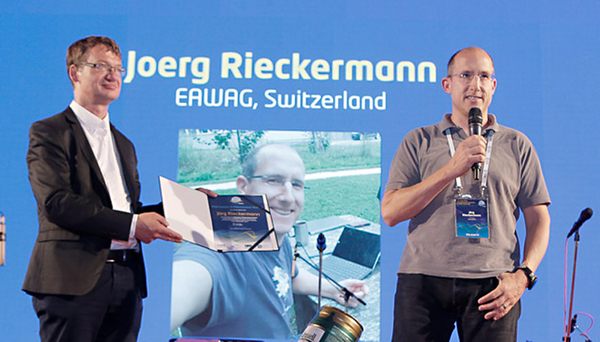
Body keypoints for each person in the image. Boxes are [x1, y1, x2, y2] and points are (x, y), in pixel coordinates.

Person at [23, 36, 190, 342]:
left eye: (118, 68)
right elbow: (57, 203)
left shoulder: (124, 143)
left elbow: (128, 211)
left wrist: (190, 207)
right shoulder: (49, 132)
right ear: (75, 73)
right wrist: (134, 224)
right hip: (72, 281)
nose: (113, 74)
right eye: (101, 66)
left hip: (127, 279)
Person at [381, 47, 551, 342]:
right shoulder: (418, 141)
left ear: (493, 86)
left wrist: (523, 276)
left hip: (494, 284)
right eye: (466, 75)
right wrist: (450, 170)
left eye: (484, 76)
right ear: (447, 84)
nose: (476, 85)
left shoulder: (517, 144)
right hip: (423, 280)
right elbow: (391, 212)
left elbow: (539, 218)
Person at [171, 144, 368, 339]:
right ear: (243, 186)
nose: (288, 197)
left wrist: (335, 289)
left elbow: (289, 277)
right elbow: (175, 292)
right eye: (274, 180)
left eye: (297, 185)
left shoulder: (274, 235)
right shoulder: (215, 253)